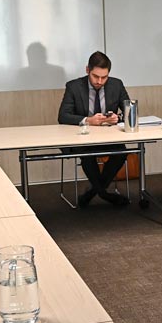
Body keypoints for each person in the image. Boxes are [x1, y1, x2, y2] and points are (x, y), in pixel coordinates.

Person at [57, 52, 131, 207]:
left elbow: (130, 111)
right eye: (95, 76)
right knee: (87, 155)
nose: (99, 81)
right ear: (87, 70)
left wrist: (118, 118)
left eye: (104, 77)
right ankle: (104, 194)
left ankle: (94, 192)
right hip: (83, 138)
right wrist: (88, 120)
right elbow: (63, 116)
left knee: (121, 153)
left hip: (108, 137)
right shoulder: (74, 86)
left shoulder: (116, 85)